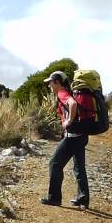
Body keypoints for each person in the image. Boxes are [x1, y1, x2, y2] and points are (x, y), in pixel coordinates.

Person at [40, 71, 91, 209]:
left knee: (55, 164)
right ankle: (83, 199)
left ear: (57, 82)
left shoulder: (62, 93)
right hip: (81, 136)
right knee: (79, 167)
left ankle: (54, 198)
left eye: (50, 82)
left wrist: (68, 121)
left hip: (73, 137)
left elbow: (72, 104)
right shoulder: (69, 91)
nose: (49, 85)